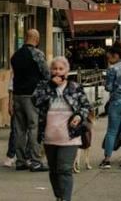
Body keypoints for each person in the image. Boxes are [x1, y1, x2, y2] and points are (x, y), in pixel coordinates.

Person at [32, 57, 91, 201]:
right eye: (54, 69)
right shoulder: (44, 86)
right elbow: (36, 101)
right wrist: (51, 87)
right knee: (54, 171)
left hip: (69, 137)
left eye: (60, 69)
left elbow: (86, 106)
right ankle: (59, 196)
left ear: (67, 71)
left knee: (64, 170)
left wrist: (79, 116)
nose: (57, 72)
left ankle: (65, 198)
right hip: (50, 136)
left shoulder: (74, 87)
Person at [10, 28, 50, 172]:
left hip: (18, 95)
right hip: (32, 95)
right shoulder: (37, 54)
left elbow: (14, 76)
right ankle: (35, 161)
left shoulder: (15, 56)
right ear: (36, 39)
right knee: (34, 127)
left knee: (20, 129)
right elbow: (46, 74)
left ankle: (20, 161)